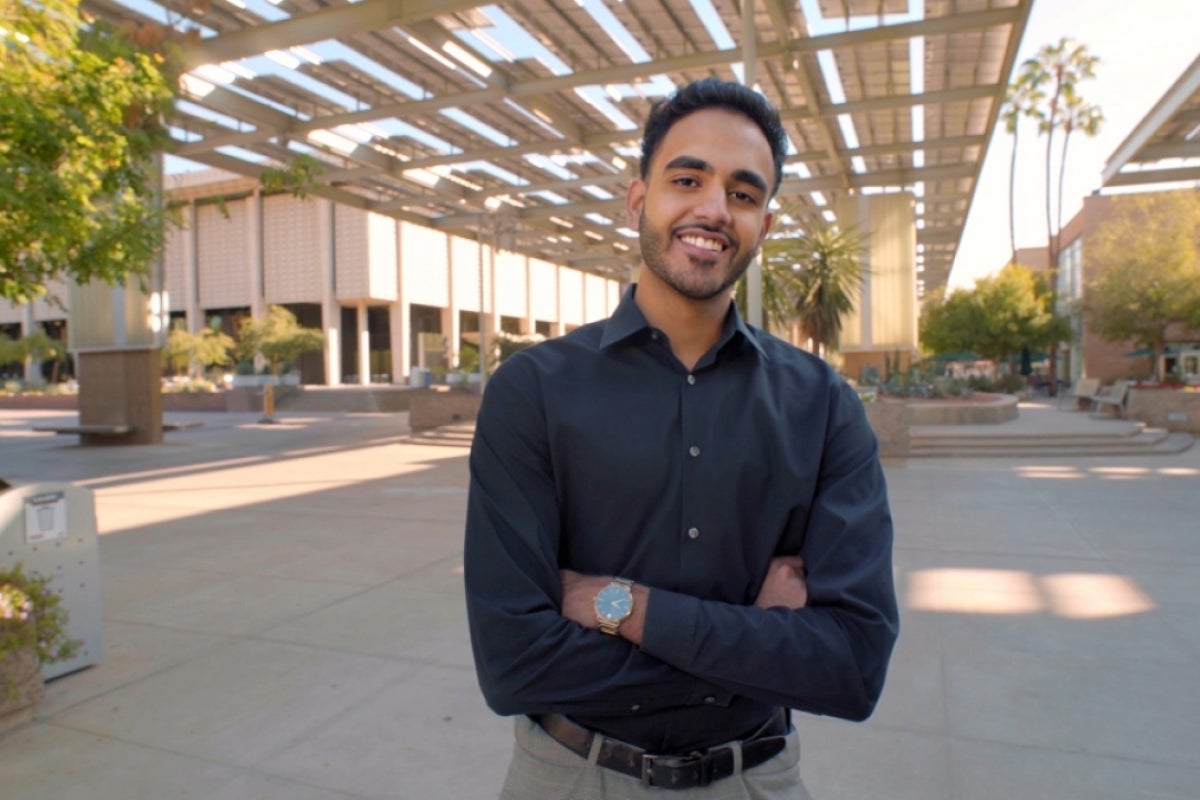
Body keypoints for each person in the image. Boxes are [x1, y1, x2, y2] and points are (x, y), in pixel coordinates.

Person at [464, 77, 899, 799]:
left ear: (764, 222)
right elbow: (514, 663)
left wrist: (621, 607)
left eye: (743, 192)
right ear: (638, 198)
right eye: (687, 178)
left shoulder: (823, 406)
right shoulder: (534, 391)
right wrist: (756, 645)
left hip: (753, 780)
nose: (712, 209)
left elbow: (851, 668)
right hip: (573, 779)